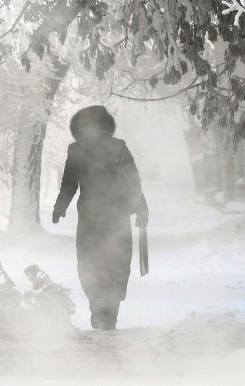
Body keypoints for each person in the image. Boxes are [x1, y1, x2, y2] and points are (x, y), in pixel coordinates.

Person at [52, 105, 148, 331]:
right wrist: (141, 209)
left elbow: (68, 183)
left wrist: (60, 207)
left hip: (89, 219)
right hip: (117, 216)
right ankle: (109, 312)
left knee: (89, 260)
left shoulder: (77, 150)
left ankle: (97, 303)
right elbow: (133, 180)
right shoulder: (119, 147)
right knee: (117, 262)